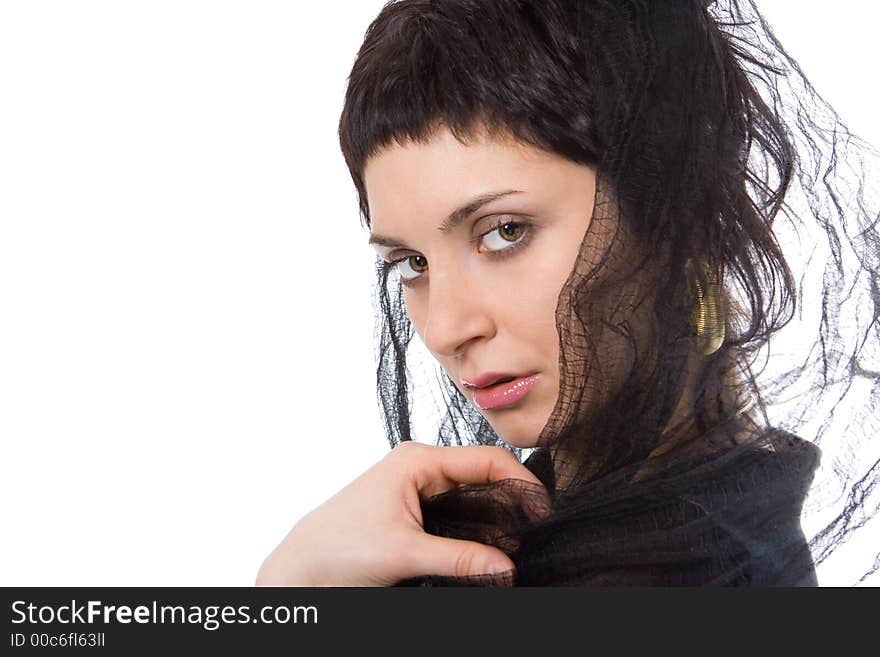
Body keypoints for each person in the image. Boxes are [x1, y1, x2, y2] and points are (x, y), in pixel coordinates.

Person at [257, 0, 879, 586]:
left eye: (505, 233)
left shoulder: (650, 573)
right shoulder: (714, 515)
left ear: (669, 212)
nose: (446, 329)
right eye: (412, 262)